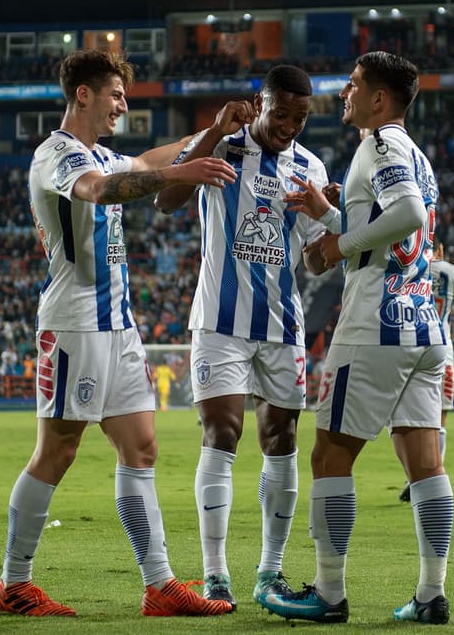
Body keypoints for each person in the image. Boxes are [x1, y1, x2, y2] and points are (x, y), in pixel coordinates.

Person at [0, 49, 238, 619]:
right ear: (83, 94)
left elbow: (148, 158)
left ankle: (159, 586)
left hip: (118, 325)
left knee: (142, 447)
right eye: (116, 95)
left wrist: (213, 131)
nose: (124, 105)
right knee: (57, 450)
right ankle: (14, 584)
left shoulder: (99, 152)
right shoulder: (57, 155)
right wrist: (181, 174)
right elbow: (99, 191)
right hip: (74, 322)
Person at [266, 51, 454, 625]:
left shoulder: (382, 144)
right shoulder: (416, 154)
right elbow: (394, 228)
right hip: (423, 322)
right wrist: (330, 216)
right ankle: (430, 594)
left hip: (376, 322)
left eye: (352, 86)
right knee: (424, 460)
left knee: (329, 454)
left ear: (378, 99)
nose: (343, 93)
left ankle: (327, 593)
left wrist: (335, 246)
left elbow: (409, 217)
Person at [153, 64, 331, 609]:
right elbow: (166, 200)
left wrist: (331, 219)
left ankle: (269, 573)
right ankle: (214, 575)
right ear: (262, 102)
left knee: (282, 441)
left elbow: (318, 259)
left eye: (300, 118)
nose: (290, 127)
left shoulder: (309, 166)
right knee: (223, 432)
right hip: (219, 322)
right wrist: (210, 133)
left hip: (282, 326)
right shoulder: (224, 147)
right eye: (282, 114)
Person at [400, 239, 454, 502]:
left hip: (408, 344)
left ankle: (412, 477)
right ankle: (431, 480)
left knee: (408, 418)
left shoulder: (410, 267)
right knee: (438, 419)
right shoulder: (453, 272)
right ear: (440, 248)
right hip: (441, 349)